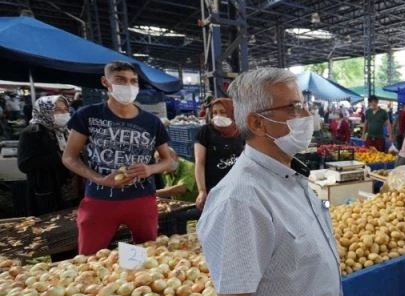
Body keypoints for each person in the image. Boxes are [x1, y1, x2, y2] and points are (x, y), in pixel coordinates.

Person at [197, 68, 341, 296]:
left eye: (303, 105)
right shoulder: (240, 199)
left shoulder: (286, 173)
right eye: (292, 108)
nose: (305, 115)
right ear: (258, 124)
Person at [62, 61, 174, 255]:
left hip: (141, 199)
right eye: (120, 80)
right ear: (106, 82)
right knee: (90, 257)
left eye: (133, 81)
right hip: (99, 199)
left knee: (145, 256)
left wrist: (150, 169)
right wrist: (99, 179)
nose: (128, 86)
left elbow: (170, 161)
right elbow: (69, 158)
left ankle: (135, 284)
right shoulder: (87, 115)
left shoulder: (151, 122)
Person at [17, 95, 81, 216]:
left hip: (70, 187)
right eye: (57, 110)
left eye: (65, 110)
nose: (63, 114)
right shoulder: (32, 133)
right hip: (48, 188)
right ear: (44, 111)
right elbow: (24, 164)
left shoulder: (66, 130)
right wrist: (60, 157)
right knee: (51, 222)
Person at [194, 98, 244, 210]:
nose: (218, 116)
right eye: (215, 113)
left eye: (222, 112)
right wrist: (202, 191)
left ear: (231, 113)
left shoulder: (239, 131)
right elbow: (199, 163)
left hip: (237, 188)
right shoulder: (205, 131)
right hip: (214, 188)